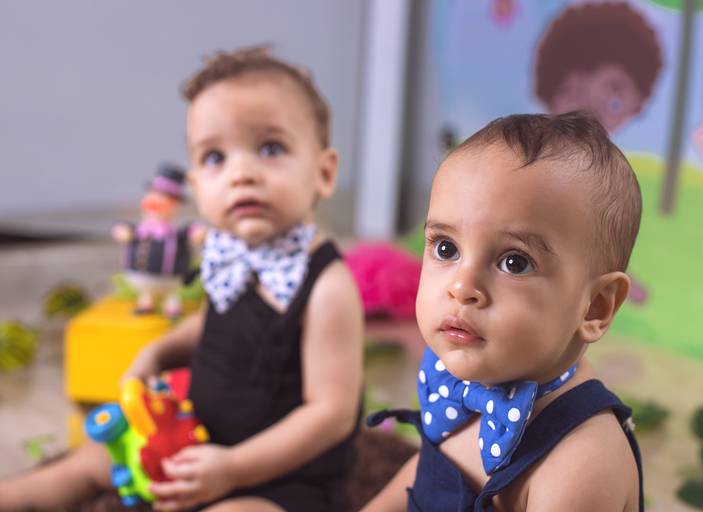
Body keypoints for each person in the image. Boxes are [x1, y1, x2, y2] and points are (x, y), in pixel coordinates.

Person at [0, 47, 364, 512]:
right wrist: (157, 352)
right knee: (87, 463)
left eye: (270, 149)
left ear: (324, 173)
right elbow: (215, 326)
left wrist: (233, 468)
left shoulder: (328, 285)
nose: (241, 174)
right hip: (193, 440)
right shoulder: (226, 257)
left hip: (280, 479)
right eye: (215, 157)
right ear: (195, 186)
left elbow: (330, 415)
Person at [362, 112, 643, 511]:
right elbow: (426, 475)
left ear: (595, 306)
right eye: (446, 248)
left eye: (515, 262)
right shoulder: (467, 387)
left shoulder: (581, 464)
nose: (462, 287)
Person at [112, 162, 203, 318]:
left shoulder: (175, 234)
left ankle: (171, 303)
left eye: (163, 197)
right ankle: (146, 301)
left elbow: (191, 230)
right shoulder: (137, 230)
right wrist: (121, 231)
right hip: (137, 277)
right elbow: (120, 229)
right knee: (145, 296)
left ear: (175, 205)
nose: (155, 200)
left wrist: (198, 233)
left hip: (171, 280)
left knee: (172, 296)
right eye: (153, 193)